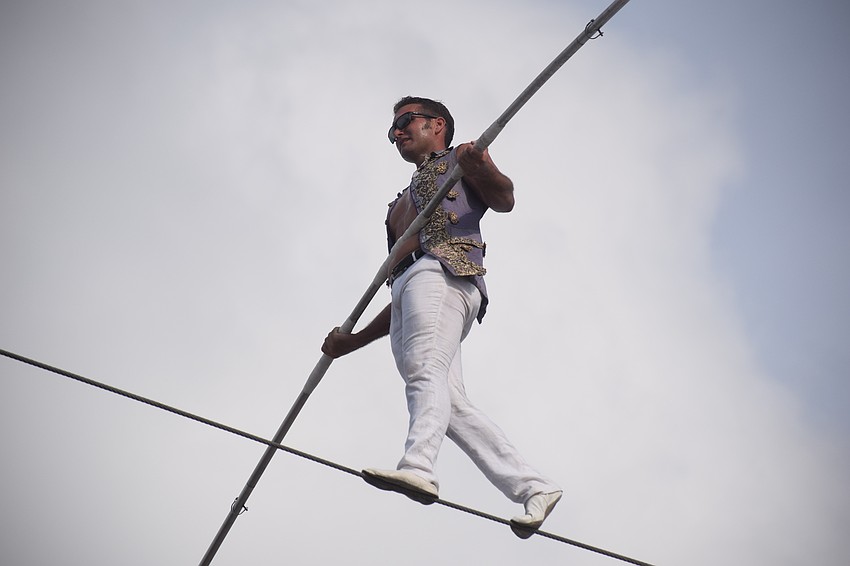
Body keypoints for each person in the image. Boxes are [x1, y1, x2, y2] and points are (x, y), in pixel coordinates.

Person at [322, 96, 561, 532]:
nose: (397, 133)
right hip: (412, 287)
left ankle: (419, 466)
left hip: (446, 272)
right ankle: (533, 487)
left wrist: (479, 165)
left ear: (437, 125)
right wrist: (352, 342)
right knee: (449, 402)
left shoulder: (461, 158)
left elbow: (505, 197)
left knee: (423, 368)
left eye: (405, 122)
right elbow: (404, 294)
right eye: (392, 129)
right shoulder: (397, 206)